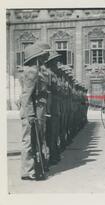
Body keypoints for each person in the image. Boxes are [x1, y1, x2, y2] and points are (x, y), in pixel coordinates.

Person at [19, 41, 50, 180]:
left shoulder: (37, 71)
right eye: (43, 56)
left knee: (36, 139)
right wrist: (30, 114)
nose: (45, 59)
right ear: (36, 58)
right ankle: (27, 171)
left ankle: (36, 167)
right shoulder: (32, 71)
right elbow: (27, 95)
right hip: (31, 111)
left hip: (38, 110)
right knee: (29, 140)